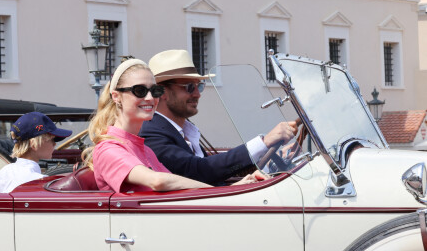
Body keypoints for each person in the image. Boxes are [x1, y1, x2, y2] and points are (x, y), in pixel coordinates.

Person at [82, 58, 266, 193]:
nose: (149, 98)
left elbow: (178, 188)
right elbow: (158, 181)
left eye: (154, 90)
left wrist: (235, 188)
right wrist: (222, 193)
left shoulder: (143, 148)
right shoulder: (109, 148)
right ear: (116, 96)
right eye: (139, 90)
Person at [140, 49, 298, 185]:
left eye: (199, 86)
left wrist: (269, 157)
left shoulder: (182, 130)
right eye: (189, 87)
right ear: (161, 92)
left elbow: (210, 173)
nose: (197, 94)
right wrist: (264, 142)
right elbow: (199, 170)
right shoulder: (151, 133)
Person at [0, 111, 72, 193]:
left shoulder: (5, 172)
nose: (54, 144)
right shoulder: (40, 181)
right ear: (34, 144)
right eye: (52, 140)